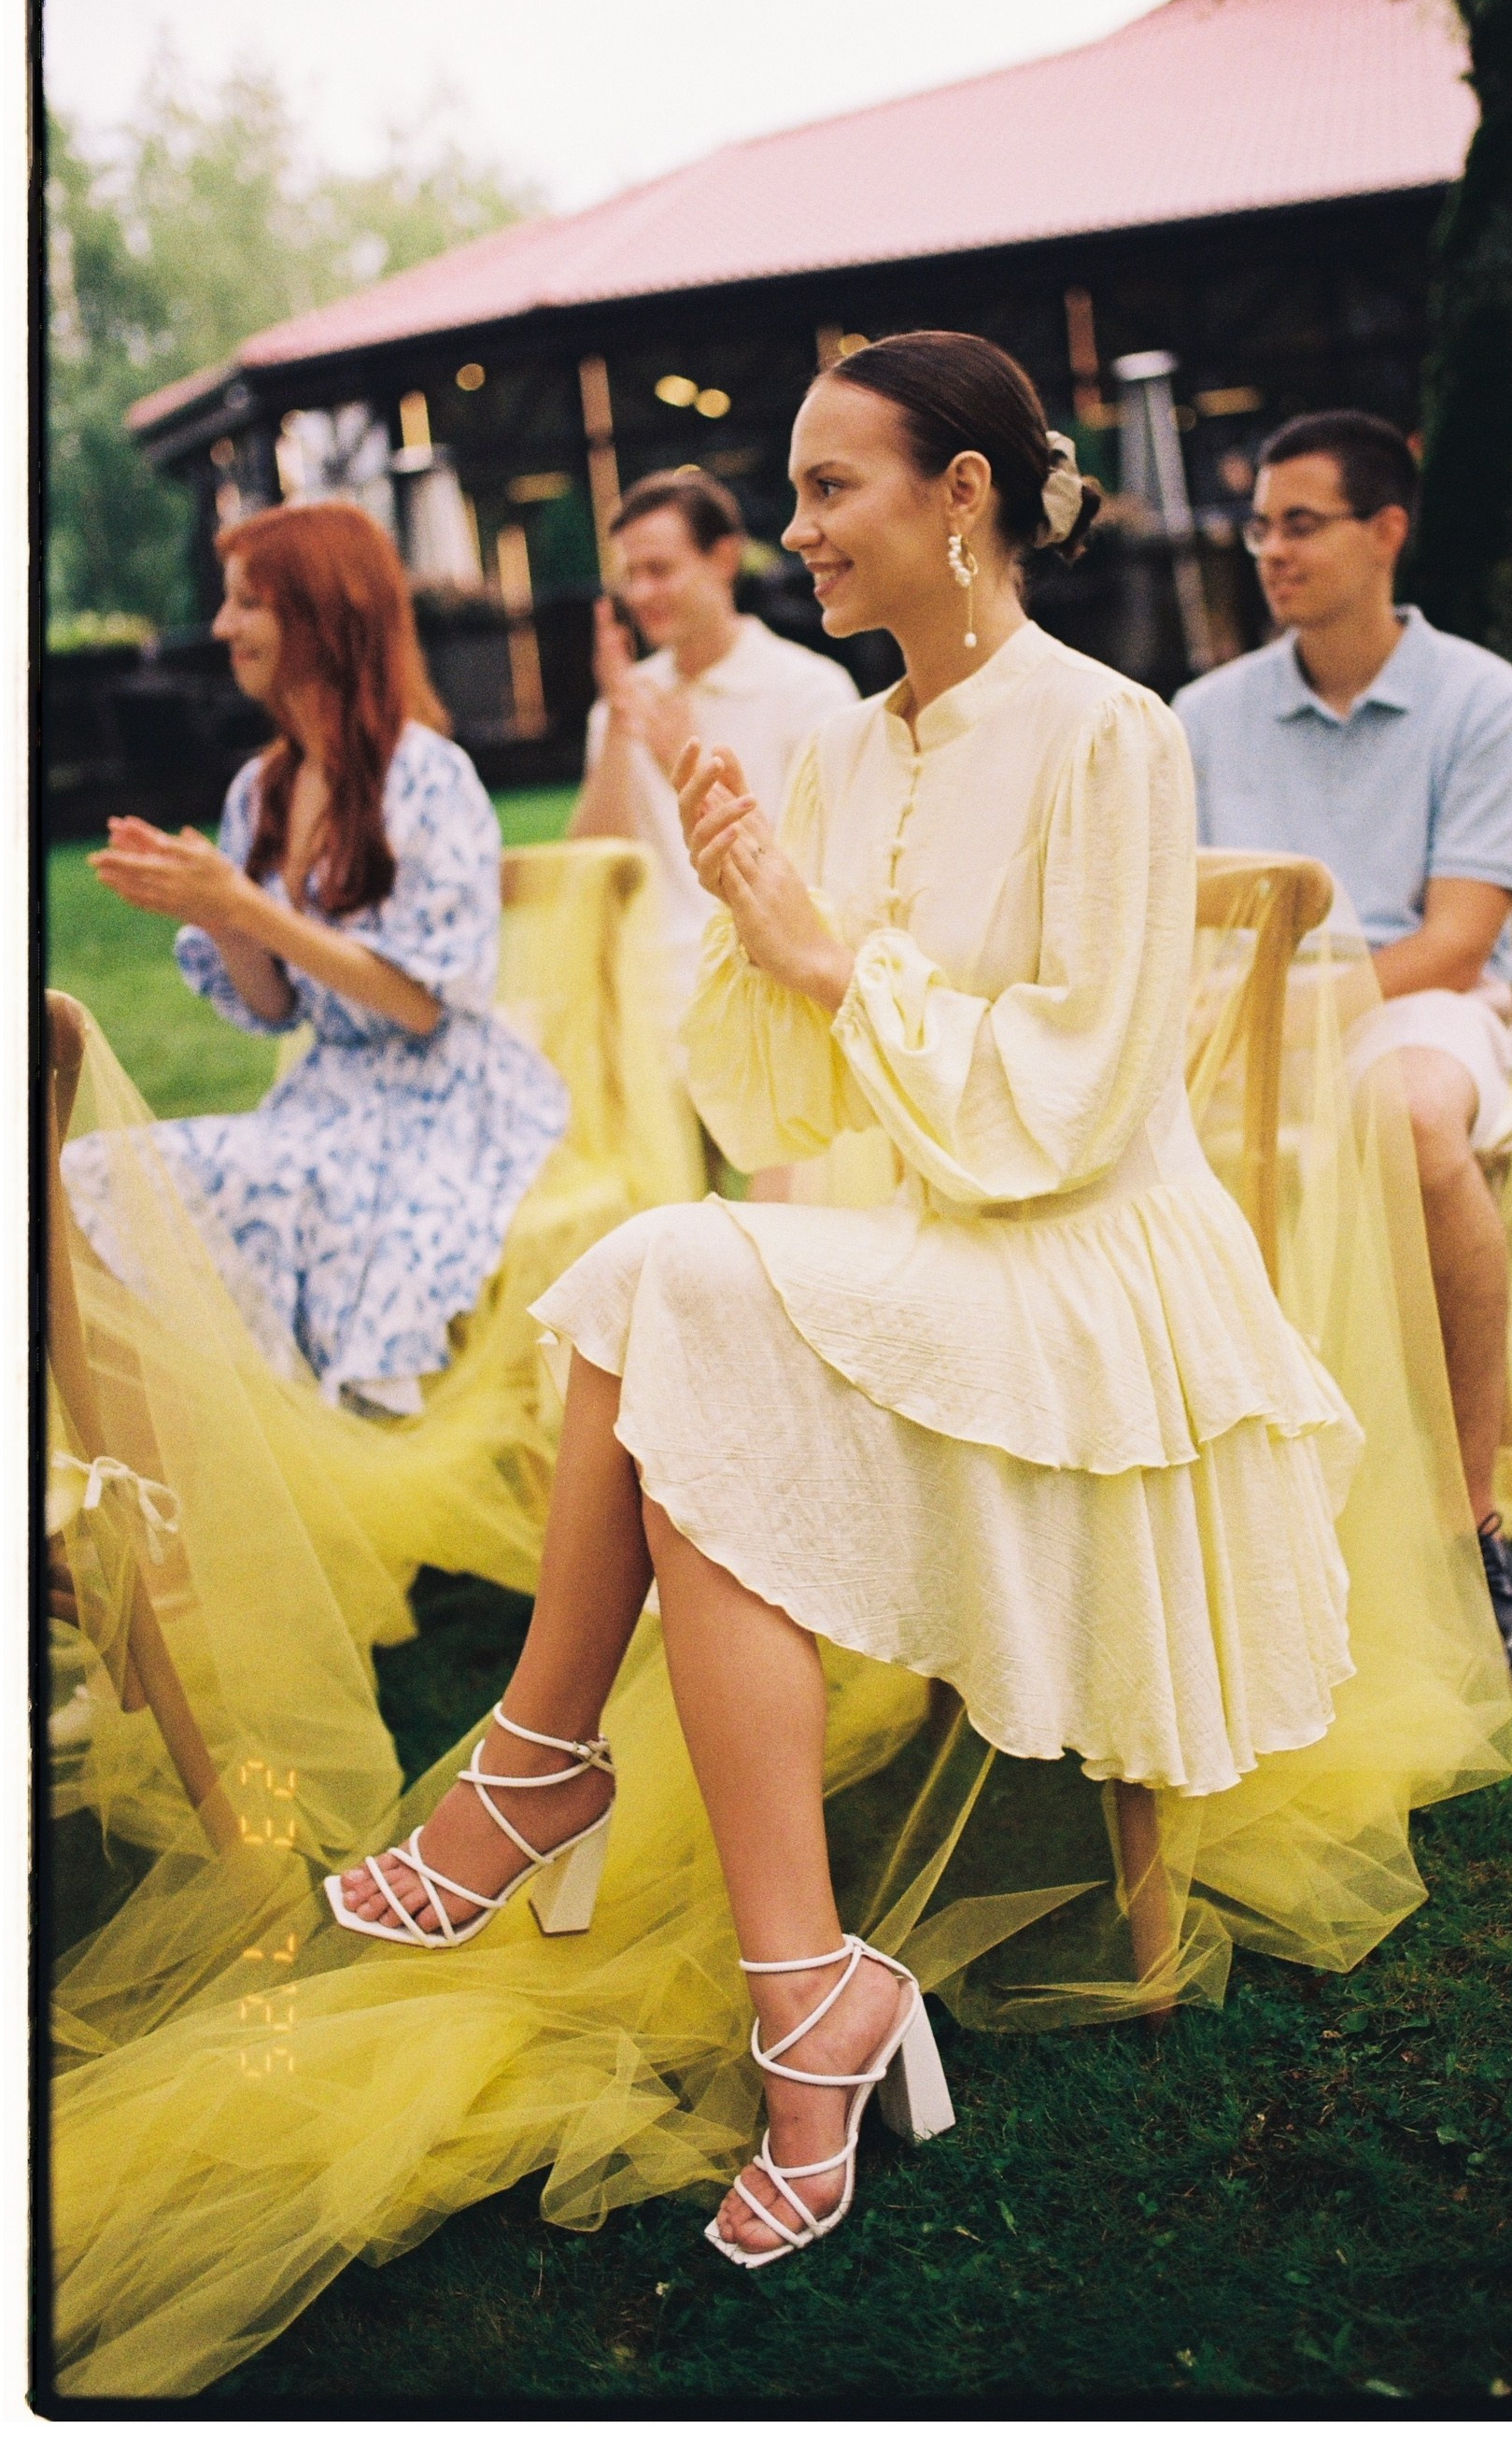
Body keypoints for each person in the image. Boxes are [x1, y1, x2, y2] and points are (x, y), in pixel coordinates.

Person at [329, 332, 1368, 2265]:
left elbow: (1065, 1106)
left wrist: (819, 956)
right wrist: (754, 918)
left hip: (1089, 1271)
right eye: (793, 492)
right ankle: (802, 1991)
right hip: (927, 1241)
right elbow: (785, 1104)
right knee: (682, 1328)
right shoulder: (836, 745)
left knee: (665, 1291)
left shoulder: (1108, 732)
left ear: (959, 496)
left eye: (828, 489)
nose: (792, 528)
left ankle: (547, 1779)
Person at [1174, 410, 1512, 1689]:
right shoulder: (1201, 714)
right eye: (1258, 525)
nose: (1269, 551)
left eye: (1300, 523)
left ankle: (1467, 1525)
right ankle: (1205, 1534)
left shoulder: (1483, 700)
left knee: (1403, 1114)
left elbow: (1456, 940)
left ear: (1383, 531)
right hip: (1231, 1010)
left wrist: (1283, 1019)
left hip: (1416, 1004)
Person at [73, 500, 568, 1418]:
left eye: (246, 603)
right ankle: (197, 1433)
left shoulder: (429, 776)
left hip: (445, 1110)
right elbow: (274, 1009)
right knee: (95, 1172)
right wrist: (217, 916)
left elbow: (424, 1006)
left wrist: (242, 901)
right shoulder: (262, 787)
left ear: (324, 613)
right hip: (325, 1097)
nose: (222, 627)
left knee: (317, 1215)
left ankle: (343, 1435)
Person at [567, 466, 858, 1016]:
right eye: (631, 575)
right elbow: (591, 870)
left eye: (659, 570)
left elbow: (821, 879)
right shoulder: (623, 701)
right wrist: (618, 726)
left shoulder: (811, 691)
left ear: (723, 560)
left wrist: (685, 759)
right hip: (646, 994)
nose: (641, 593)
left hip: (768, 983)